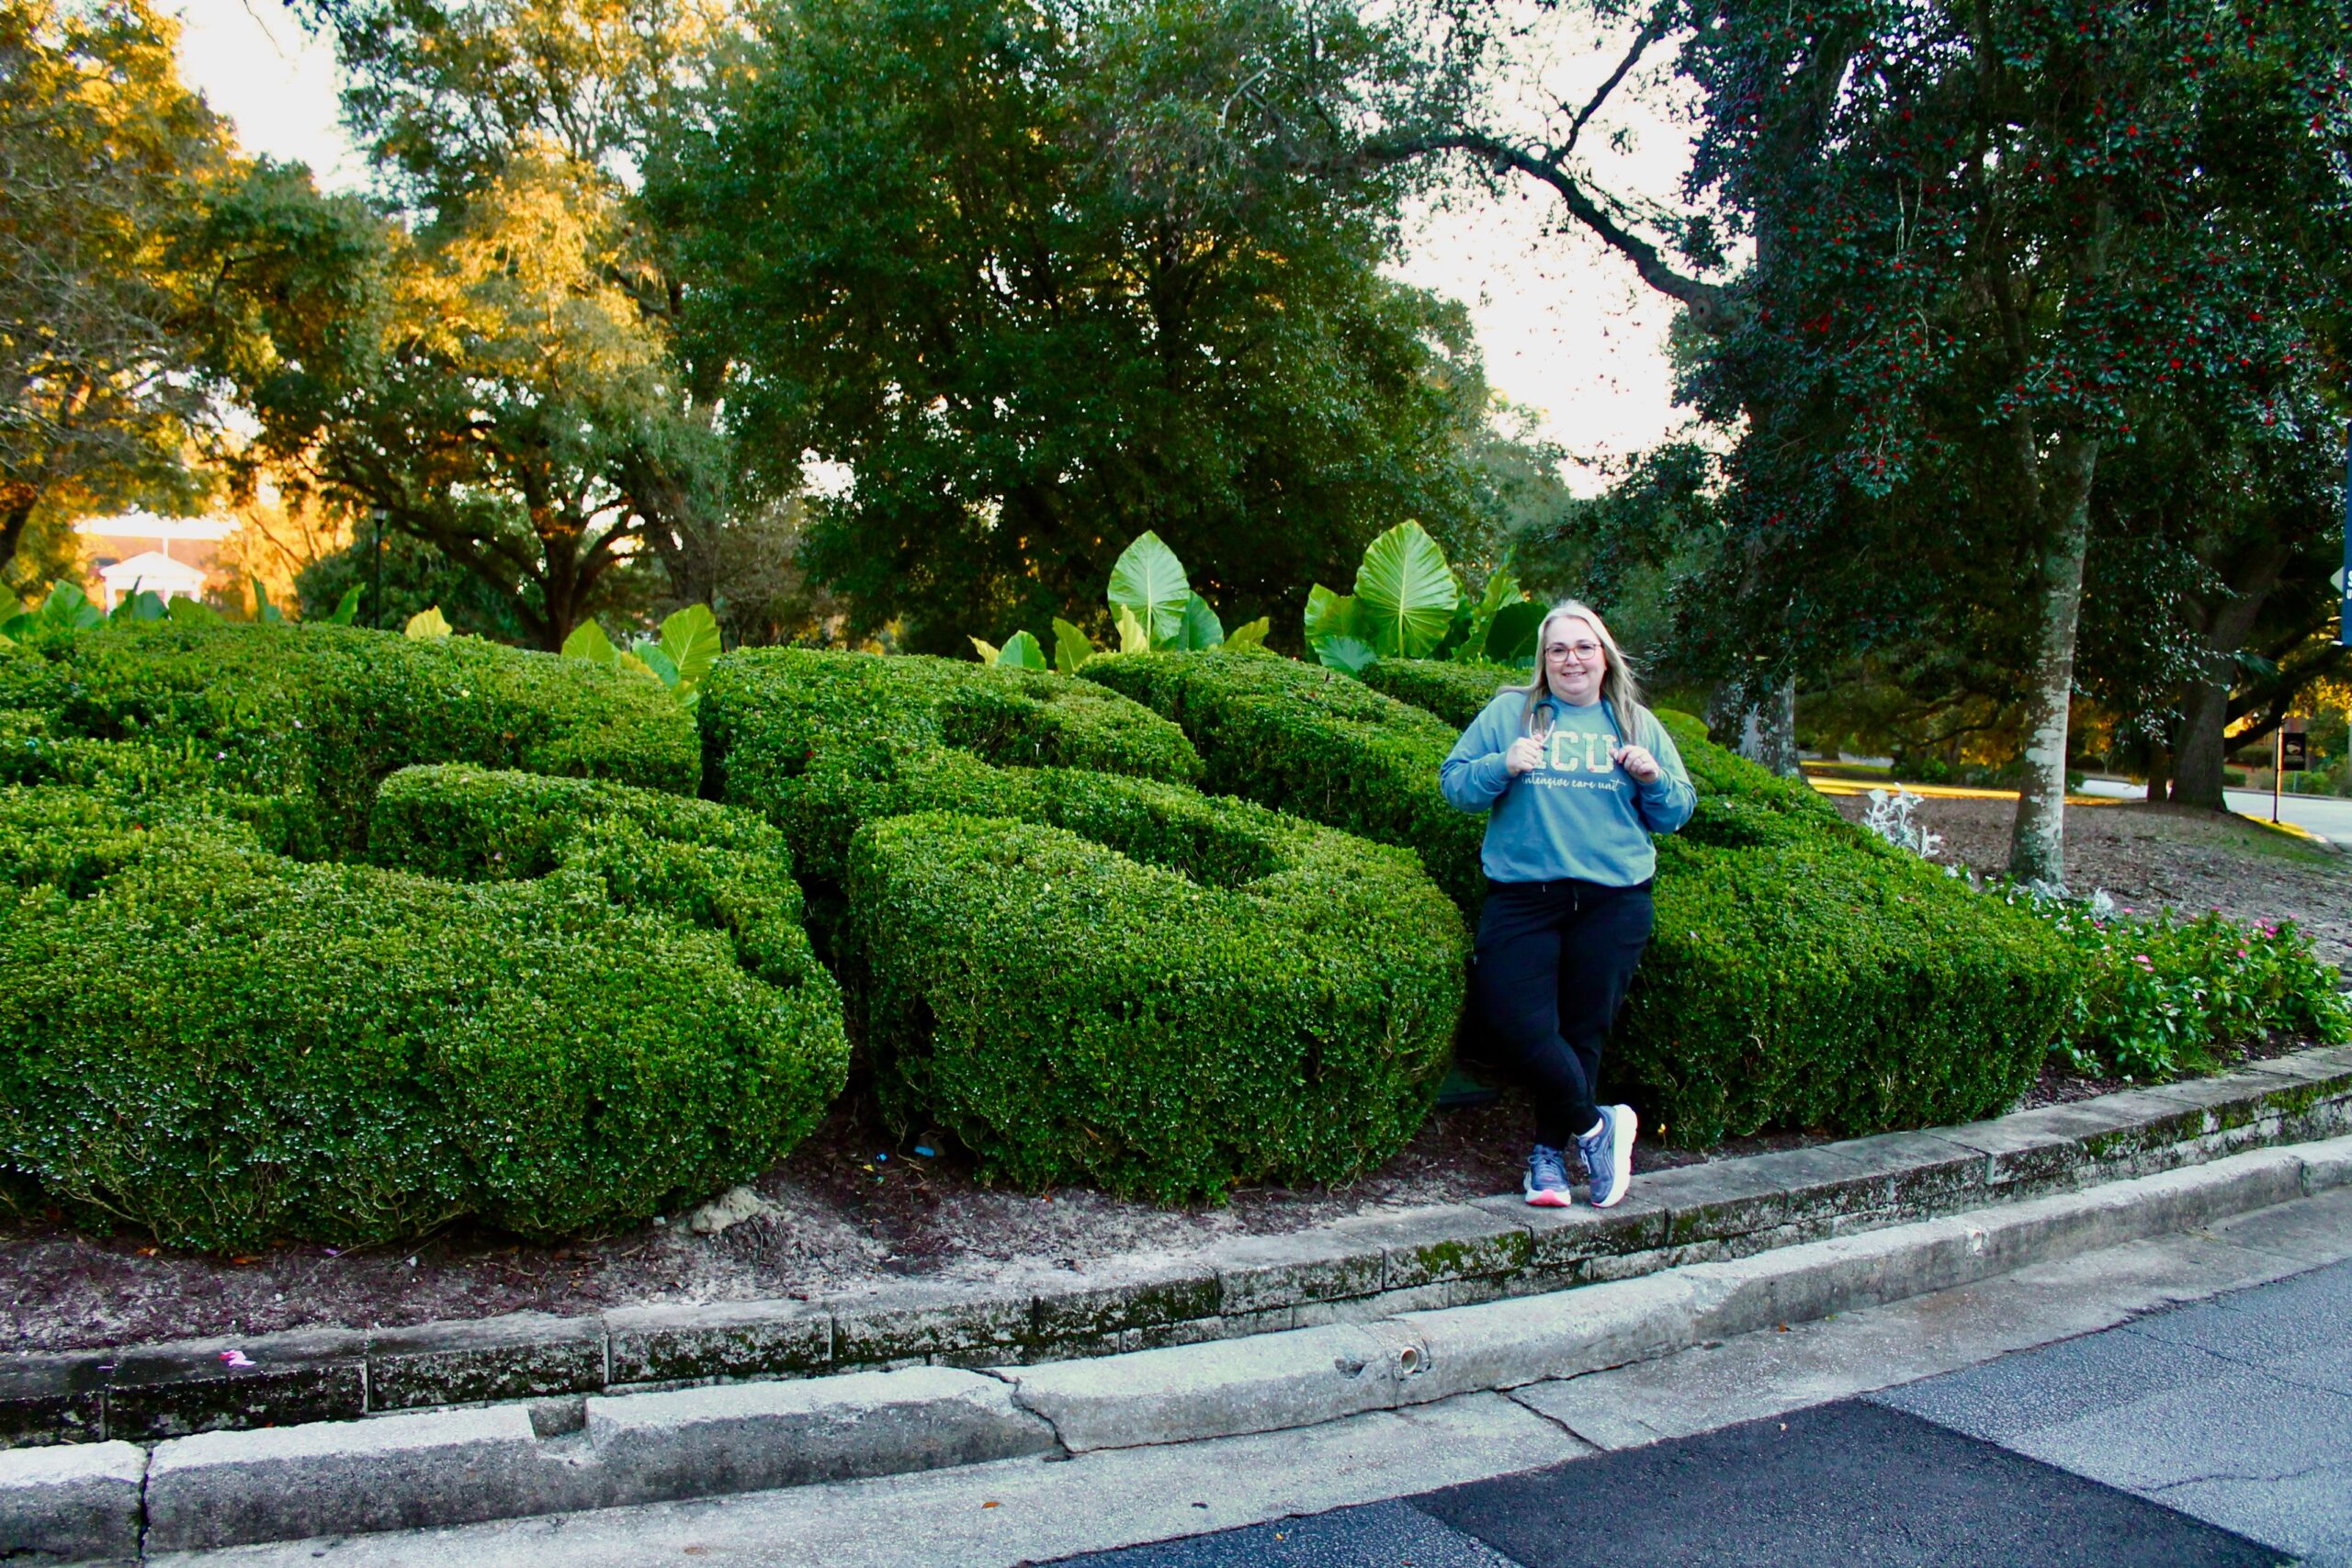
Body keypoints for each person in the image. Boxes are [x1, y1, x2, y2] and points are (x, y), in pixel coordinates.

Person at [1438, 600, 1696, 1208]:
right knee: (1510, 1015)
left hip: (1613, 901)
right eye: (1558, 649)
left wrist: (1653, 778)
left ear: (1604, 656)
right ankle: (1598, 1127)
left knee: (1583, 1032)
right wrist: (1501, 764)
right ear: (1543, 660)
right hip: (1524, 897)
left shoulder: (1633, 721)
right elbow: (1453, 783)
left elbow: (1677, 812)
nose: (1571, 658)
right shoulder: (1512, 714)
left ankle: (1548, 1161)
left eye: (1583, 646)